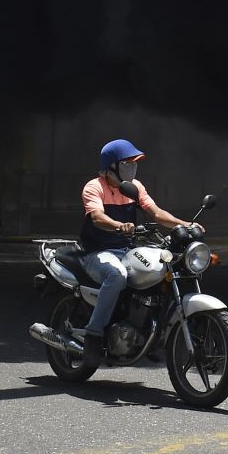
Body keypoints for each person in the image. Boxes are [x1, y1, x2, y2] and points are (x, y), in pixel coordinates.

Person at [79, 138, 195, 365]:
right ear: (112, 166)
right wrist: (117, 225)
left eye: (135, 163)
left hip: (127, 250)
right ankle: (93, 336)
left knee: (158, 270)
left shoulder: (135, 187)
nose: (133, 168)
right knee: (117, 275)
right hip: (98, 252)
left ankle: (150, 335)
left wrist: (185, 225)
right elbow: (97, 217)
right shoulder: (95, 187)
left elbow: (156, 213)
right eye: (128, 163)